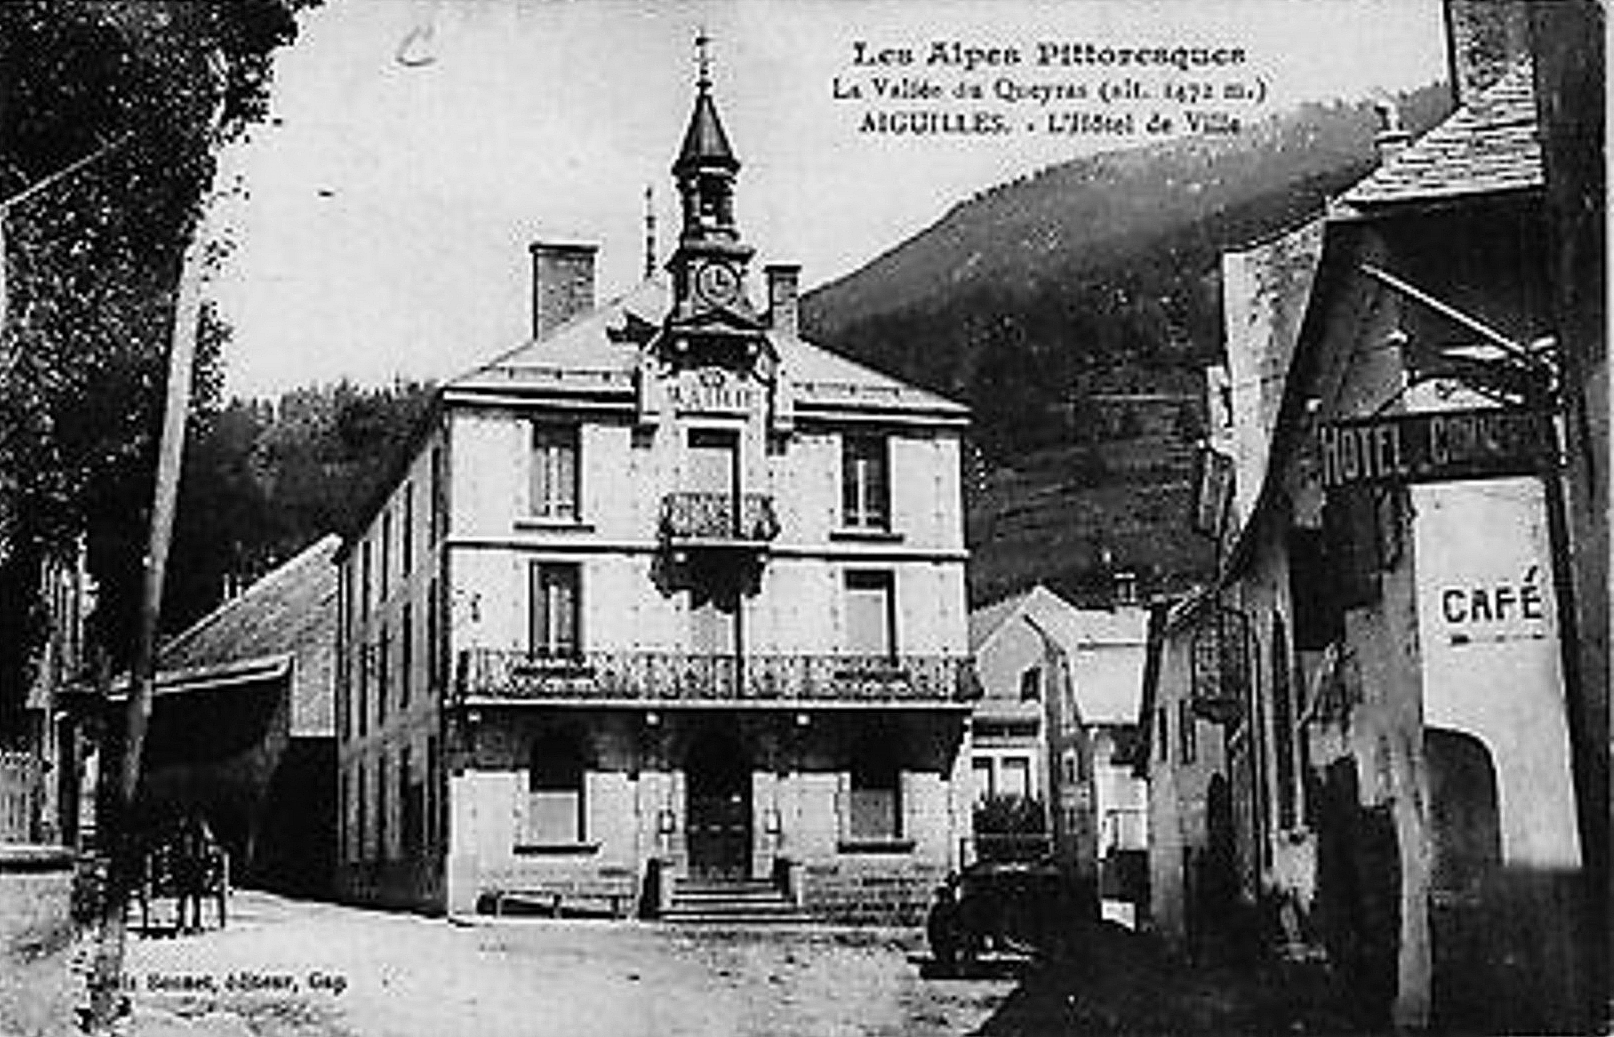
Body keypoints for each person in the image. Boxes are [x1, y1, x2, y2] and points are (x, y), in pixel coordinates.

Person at [926, 880, 961, 976]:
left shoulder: (950, 908)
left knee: (946, 956)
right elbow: (932, 926)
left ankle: (948, 969)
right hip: (941, 939)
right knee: (944, 955)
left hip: (945, 939)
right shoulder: (942, 909)